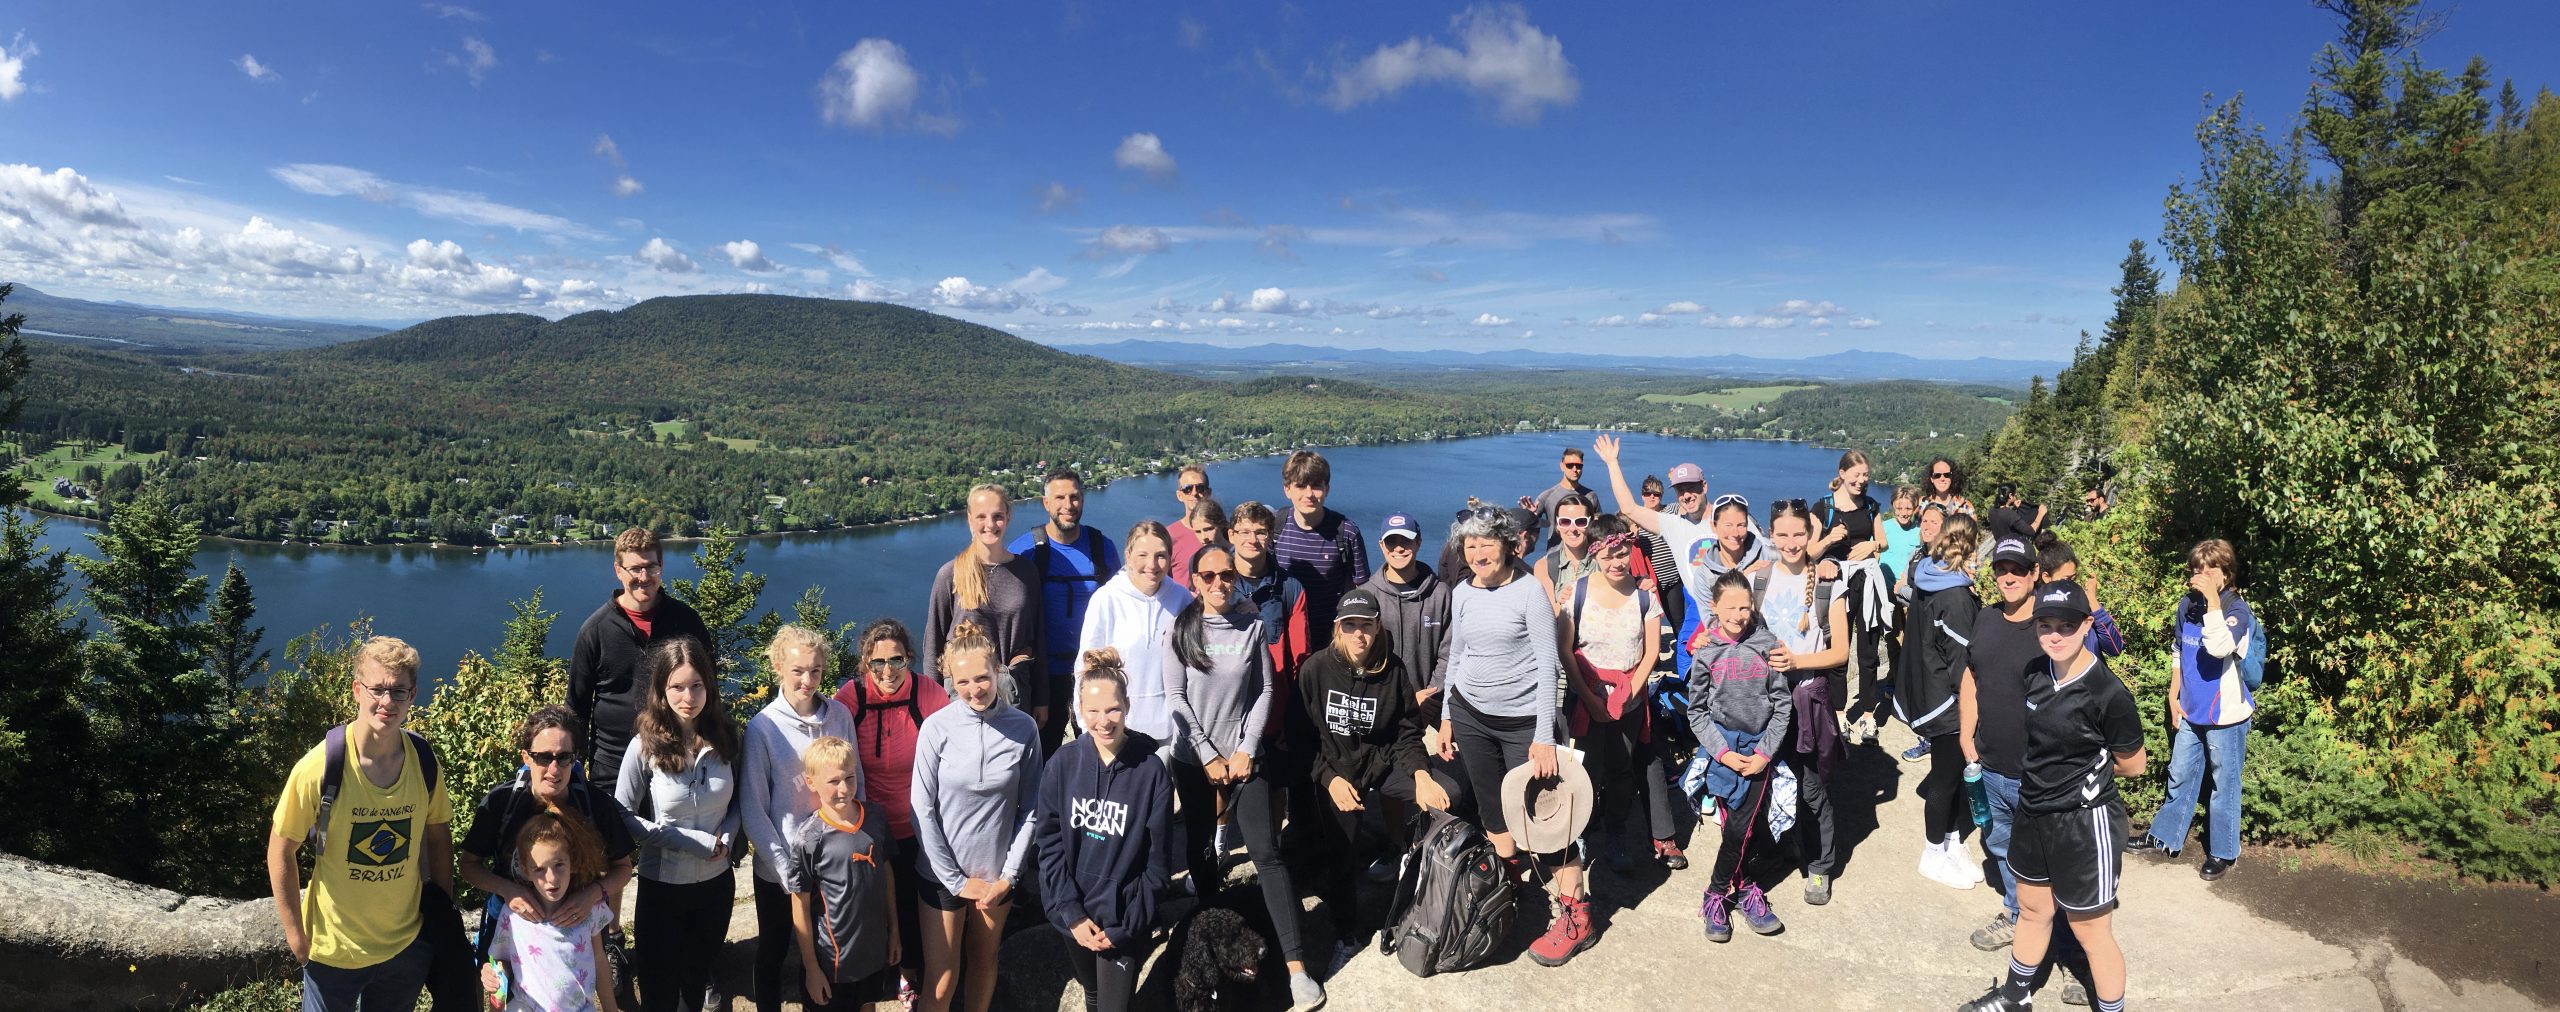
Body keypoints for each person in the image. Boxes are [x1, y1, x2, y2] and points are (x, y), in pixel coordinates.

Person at [1957, 580, 2145, 1012]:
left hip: (2084, 825)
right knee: (2033, 908)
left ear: (2085, 626)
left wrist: (2080, 775)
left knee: (2090, 932)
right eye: (2046, 625)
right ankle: (2014, 997)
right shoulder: (2035, 673)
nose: (2055, 635)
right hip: (2033, 811)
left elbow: (2135, 764)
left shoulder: (2108, 694)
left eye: (2066, 625)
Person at [1161, 542, 1323, 1010]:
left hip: (1245, 759)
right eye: (1207, 576)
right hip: (1194, 760)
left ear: (1236, 578)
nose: (1218, 583)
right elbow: (1177, 698)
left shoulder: (1251, 625)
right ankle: (1215, 934)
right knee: (1199, 849)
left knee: (1266, 852)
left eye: (1226, 575)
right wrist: (1209, 754)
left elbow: (1263, 692)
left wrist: (1246, 750)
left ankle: (1296, 968)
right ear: (1194, 581)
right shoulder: (1180, 629)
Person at [1435, 504, 1596, 968]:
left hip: (1525, 723)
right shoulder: (1462, 592)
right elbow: (1458, 655)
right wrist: (1448, 715)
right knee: (1493, 812)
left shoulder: (1529, 592)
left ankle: (1576, 917)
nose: (1479, 552)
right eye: (1470, 544)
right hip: (1471, 714)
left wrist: (1544, 735)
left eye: (1487, 542)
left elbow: (1549, 666)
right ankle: (1510, 896)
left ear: (1509, 545)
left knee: (1548, 823)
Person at [266, 636, 455, 1012]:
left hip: (405, 944)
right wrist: (296, 937)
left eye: (399, 691)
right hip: (334, 950)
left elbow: (438, 830)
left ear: (413, 695)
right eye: (377, 689)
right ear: (356, 689)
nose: (387, 702)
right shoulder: (319, 767)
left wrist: (441, 910)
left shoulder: (423, 761)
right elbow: (281, 848)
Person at [457, 706, 641, 995]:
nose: (554, 769)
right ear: (526, 757)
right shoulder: (500, 804)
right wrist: (509, 890)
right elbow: (468, 865)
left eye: (564, 758)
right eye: (543, 757)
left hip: (578, 930)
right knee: (502, 992)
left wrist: (592, 894)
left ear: (574, 759)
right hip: (510, 928)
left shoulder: (596, 805)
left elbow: (623, 868)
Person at [1299, 588, 1445, 951]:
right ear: (1337, 628)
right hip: (1335, 771)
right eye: (1350, 625)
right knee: (1342, 853)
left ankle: (1426, 891)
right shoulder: (1315, 669)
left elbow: (1406, 732)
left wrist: (1421, 775)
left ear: (1378, 627)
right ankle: (1346, 934)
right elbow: (1300, 738)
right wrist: (1328, 779)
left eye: (1366, 625)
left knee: (1447, 796)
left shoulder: (1392, 670)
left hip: (1381, 762)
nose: (1359, 634)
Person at [910, 620, 1043, 1012]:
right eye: (963, 682)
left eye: (983, 678)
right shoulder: (937, 728)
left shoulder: (1024, 728)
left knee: (985, 961)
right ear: (951, 679)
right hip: (940, 875)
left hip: (995, 877)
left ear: (999, 668)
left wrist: (1009, 876)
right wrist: (953, 879)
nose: (974, 690)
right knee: (943, 972)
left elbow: (1031, 808)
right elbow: (922, 807)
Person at [1035, 652, 1176, 1012]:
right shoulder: (1062, 764)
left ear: (1127, 705)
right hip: (1074, 917)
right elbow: (1049, 846)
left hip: (1123, 921)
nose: (1103, 721)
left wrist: (1127, 926)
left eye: (1113, 709)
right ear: (1078, 708)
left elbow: (1157, 864)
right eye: (1093, 710)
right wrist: (1072, 913)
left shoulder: (1151, 772)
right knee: (1092, 994)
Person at [613, 637, 742, 1012]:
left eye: (696, 685)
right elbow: (620, 812)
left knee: (695, 980)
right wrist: (688, 840)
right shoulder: (643, 745)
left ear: (709, 685)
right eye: (677, 687)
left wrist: (729, 834)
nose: (688, 696)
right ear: (661, 689)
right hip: (662, 888)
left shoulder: (727, 736)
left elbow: (739, 802)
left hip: (717, 886)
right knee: (658, 988)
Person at [741, 626, 859, 1012]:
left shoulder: (839, 716)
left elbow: (858, 781)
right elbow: (754, 806)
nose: (807, 680)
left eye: (816, 671)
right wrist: (784, 869)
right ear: (778, 666)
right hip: (782, 865)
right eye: (798, 670)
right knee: (774, 949)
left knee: (827, 950)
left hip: (832, 859)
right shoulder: (763, 727)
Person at [833, 620, 950, 995]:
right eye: (877, 663)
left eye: (897, 660)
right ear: (865, 664)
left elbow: (953, 747)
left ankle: (910, 975)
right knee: (871, 907)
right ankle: (875, 976)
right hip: (868, 827)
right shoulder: (851, 699)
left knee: (912, 908)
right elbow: (831, 754)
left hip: (918, 824)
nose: (887, 671)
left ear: (910, 659)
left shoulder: (927, 694)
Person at [2132, 538, 2259, 882]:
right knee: (2180, 775)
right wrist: (2173, 695)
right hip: (2190, 709)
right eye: (2195, 568)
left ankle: (2223, 852)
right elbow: (2178, 650)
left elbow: (2219, 648)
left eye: (2209, 569)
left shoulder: (2236, 610)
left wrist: (2214, 601)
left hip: (2226, 715)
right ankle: (2165, 838)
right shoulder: (2186, 605)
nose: (2199, 575)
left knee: (2223, 785)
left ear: (2226, 573)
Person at [1590, 436, 1763, 684]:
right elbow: (1629, 509)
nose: (1687, 495)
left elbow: (1768, 558)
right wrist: (1611, 463)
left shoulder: (1732, 518)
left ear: (1704, 486)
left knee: (1737, 676)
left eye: (1692, 487)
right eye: (1681, 490)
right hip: (1698, 609)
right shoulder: (1674, 525)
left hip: (1738, 611)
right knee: (1692, 674)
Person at [1564, 515, 1681, 870]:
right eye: (1608, 555)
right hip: (1587, 695)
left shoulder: (1645, 596)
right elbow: (1566, 650)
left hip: (1629, 698)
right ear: (1594, 555)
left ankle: (1615, 833)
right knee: (1586, 769)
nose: (1616, 563)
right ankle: (1580, 833)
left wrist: (1632, 692)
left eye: (1622, 553)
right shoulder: (1578, 593)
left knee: (1621, 768)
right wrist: (1587, 697)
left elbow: (1650, 651)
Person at [1685, 570, 1793, 942]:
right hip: (1723, 752)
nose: (1738, 614)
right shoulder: (1706, 652)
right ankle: (1746, 889)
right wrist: (1723, 754)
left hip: (1758, 750)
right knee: (1735, 828)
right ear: (1714, 607)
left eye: (1745, 607)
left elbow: (1782, 706)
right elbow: (1696, 711)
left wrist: (1764, 754)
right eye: (1729, 607)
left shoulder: (1768, 646)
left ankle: (1716, 895)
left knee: (1740, 828)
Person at [1756, 499, 1852, 905]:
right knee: (1765, 782)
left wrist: (1797, 660)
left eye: (1799, 533)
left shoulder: (1830, 583)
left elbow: (1841, 652)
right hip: (1764, 698)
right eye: (1783, 534)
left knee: (1812, 787)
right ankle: (1779, 849)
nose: (1791, 542)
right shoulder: (1758, 579)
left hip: (1807, 696)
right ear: (1771, 535)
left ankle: (1818, 866)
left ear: (1811, 535)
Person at [569, 527, 713, 786]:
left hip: (678, 761)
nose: (644, 577)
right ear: (618, 570)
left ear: (662, 566)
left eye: (651, 567)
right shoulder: (595, 631)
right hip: (613, 767)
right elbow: (576, 709)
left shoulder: (687, 623)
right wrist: (574, 773)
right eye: (635, 569)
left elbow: (710, 690)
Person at [1959, 538, 2046, 953]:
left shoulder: (2052, 627)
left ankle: (2065, 943)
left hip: (2038, 770)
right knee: (2000, 845)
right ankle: (2016, 914)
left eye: (2018, 569)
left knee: (2047, 857)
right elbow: (1972, 676)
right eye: (2001, 569)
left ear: (2035, 574)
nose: (2008, 577)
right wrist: (1965, 732)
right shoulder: (1986, 618)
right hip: (1989, 763)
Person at [1897, 513, 1985, 891]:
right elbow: (1961, 662)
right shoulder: (1957, 597)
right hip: (1947, 701)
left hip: (1923, 691)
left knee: (1948, 776)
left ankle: (1951, 842)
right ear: (1972, 550)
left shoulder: (1928, 576)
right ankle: (1932, 854)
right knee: (1946, 779)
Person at [1011, 468, 1123, 753]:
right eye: (1059, 498)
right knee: (1041, 755)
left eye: (1074, 497)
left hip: (1091, 671)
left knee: (1098, 751)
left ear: (1082, 499)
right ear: (1046, 503)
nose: (1068, 505)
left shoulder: (1101, 547)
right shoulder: (1026, 551)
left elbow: (1122, 604)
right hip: (1043, 675)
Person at [788, 736, 903, 1012]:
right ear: (812, 782)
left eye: (850, 778)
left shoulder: (874, 817)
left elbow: (886, 874)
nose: (844, 788)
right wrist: (811, 968)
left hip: (873, 953)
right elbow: (799, 902)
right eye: (833, 781)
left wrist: (895, 931)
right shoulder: (810, 838)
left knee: (868, 1005)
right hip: (832, 961)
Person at [922, 485, 1044, 720]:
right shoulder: (951, 574)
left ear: (1008, 517)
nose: (990, 524)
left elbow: (1038, 637)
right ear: (969, 519)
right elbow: (933, 645)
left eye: (997, 516)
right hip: (963, 696)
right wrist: (932, 704)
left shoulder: (1026, 572)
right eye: (981, 516)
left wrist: (1042, 699)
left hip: (1014, 694)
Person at [483, 813, 618, 1012]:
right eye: (539, 869)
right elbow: (500, 964)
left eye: (559, 865)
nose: (552, 878)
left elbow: (599, 960)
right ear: (525, 870)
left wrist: (611, 1009)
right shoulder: (512, 914)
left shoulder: (590, 909)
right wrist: (491, 975)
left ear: (572, 862)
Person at [1076, 520, 1193, 745]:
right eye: (1142, 555)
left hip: (1170, 731)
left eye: (1161, 555)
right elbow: (1085, 666)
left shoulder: (1181, 598)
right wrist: (1085, 724)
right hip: (1118, 730)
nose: (1152, 564)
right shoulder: (1106, 599)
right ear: (1128, 555)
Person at [1813, 451, 1889, 739]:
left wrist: (1872, 547)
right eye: (1856, 475)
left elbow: (1882, 541)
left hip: (1866, 582)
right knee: (1838, 652)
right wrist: (1831, 539)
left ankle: (1868, 715)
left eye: (1865, 475)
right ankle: (1839, 713)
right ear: (1842, 474)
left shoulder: (1871, 506)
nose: (1862, 480)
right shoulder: (1824, 508)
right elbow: (1809, 551)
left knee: (1868, 652)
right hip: (1836, 584)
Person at [1275, 449, 1371, 649]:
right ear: (1287, 490)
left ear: (1327, 488)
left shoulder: (1346, 532)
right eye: (1300, 486)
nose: (1309, 494)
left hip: (1330, 641)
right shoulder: (1275, 527)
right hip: (1284, 637)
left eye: (1316, 486)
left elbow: (1362, 588)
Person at [1359, 512, 1450, 701]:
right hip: (1378, 702)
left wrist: (1431, 694)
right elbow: (1357, 652)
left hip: (1429, 704)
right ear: (1381, 546)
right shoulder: (1367, 595)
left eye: (1406, 541)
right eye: (1392, 541)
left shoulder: (1440, 594)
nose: (1399, 548)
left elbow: (1449, 653)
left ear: (1418, 543)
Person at [2036, 537, 2126, 659]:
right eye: (2066, 579)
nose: (2071, 585)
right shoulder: (2035, 612)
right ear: (2046, 577)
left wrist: (2092, 601)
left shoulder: (2081, 603)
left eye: (2074, 579)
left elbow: (2115, 647)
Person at [1633, 474, 1687, 633]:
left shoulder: (1671, 510)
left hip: (1673, 578)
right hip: (1649, 582)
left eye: (1656, 494)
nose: (1652, 497)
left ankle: (1684, 653)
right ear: (1642, 495)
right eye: (1648, 493)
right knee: (1648, 621)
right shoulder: (1636, 517)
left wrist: (1677, 482)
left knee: (1678, 620)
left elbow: (1688, 506)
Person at [1524, 446, 1594, 548]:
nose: (1575, 469)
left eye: (1579, 466)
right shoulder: (1547, 496)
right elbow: (1531, 528)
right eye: (1570, 465)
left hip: (1585, 556)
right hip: (1555, 556)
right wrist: (1528, 516)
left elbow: (1597, 529)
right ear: (1562, 466)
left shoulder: (1591, 496)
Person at [1533, 493, 1601, 598]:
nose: (1572, 529)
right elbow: (1551, 610)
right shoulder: (1544, 567)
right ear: (1557, 526)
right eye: (1565, 522)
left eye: (1581, 522)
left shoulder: (1604, 564)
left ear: (1591, 524)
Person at [1165, 465, 1214, 585]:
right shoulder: (1168, 536)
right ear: (1179, 495)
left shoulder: (1224, 533)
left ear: (1208, 492)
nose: (1194, 493)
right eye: (1187, 489)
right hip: (1184, 603)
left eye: (1200, 488)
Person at [1172, 496, 1229, 588]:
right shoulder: (1196, 560)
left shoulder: (1238, 554)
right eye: (1198, 532)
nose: (1203, 537)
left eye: (1208, 529)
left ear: (1221, 524)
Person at [1986, 482, 2046, 547]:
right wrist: (2041, 513)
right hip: (2014, 551)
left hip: (2000, 548)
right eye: (2015, 493)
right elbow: (2031, 531)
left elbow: (2004, 521)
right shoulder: (2009, 514)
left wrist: (2014, 508)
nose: (2016, 494)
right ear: (2010, 496)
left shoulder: (1992, 511)